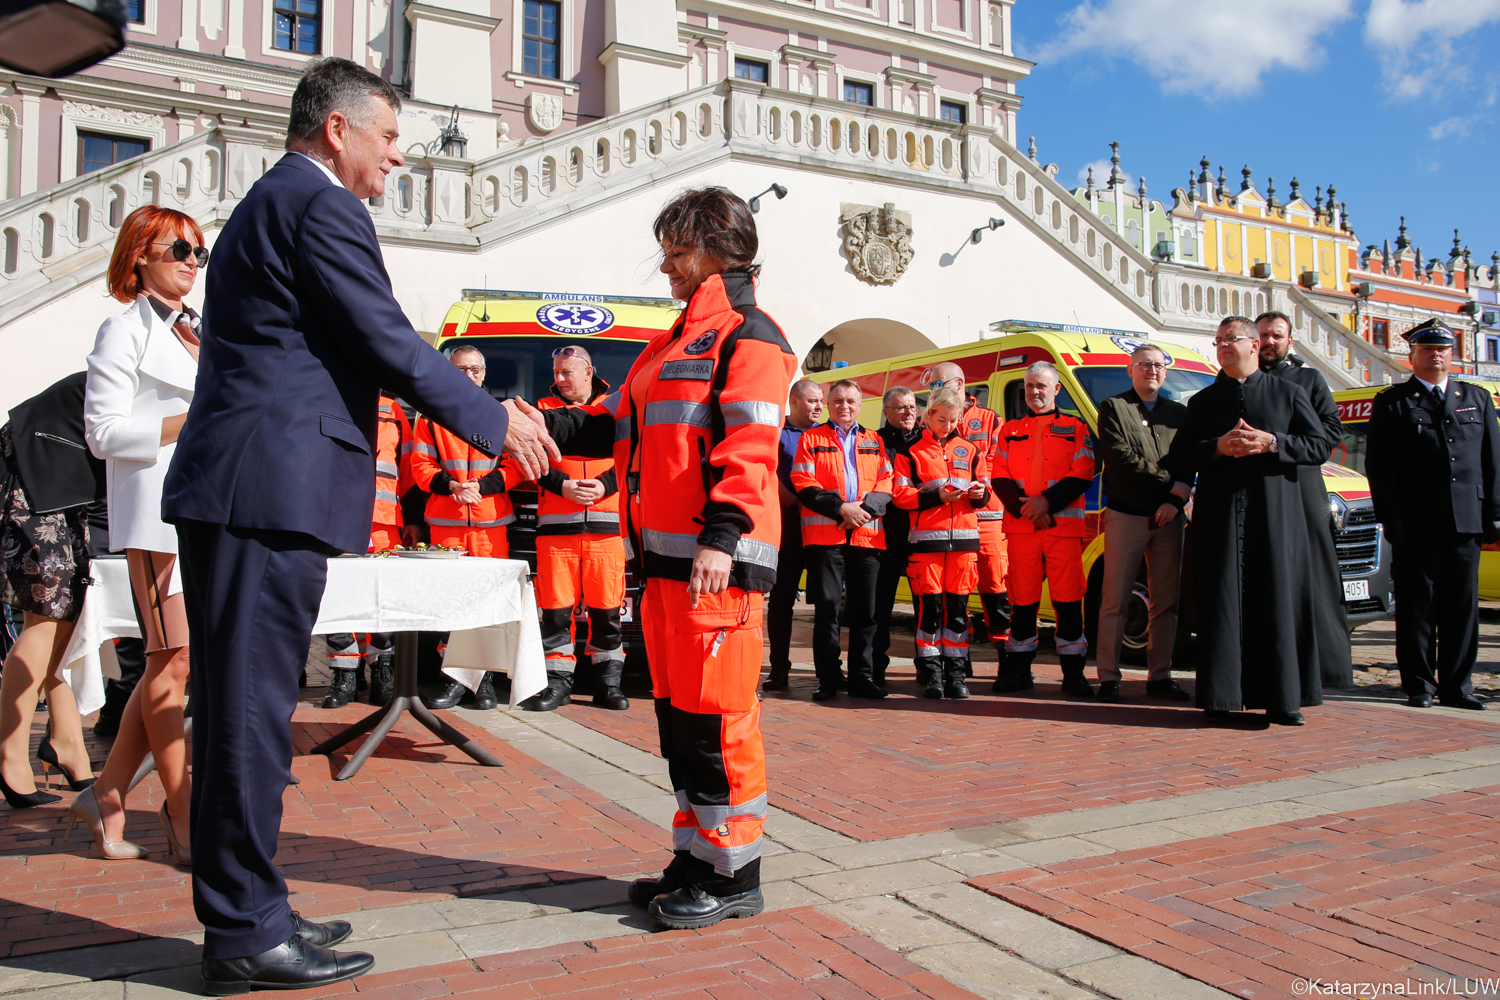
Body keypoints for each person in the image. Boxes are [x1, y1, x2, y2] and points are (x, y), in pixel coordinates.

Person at [161, 58, 556, 994]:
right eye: (388, 135)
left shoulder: (281, 200)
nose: (399, 155)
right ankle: (244, 932)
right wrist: (494, 420)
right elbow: (382, 335)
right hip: (261, 490)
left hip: (253, 489)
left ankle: (254, 904)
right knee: (249, 717)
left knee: (247, 711)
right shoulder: (320, 204)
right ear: (337, 129)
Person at [541, 186, 795, 930]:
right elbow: (610, 420)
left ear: (717, 250)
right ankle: (697, 856)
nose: (666, 268)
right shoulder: (674, 341)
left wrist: (720, 537)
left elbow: (748, 447)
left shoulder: (751, 335)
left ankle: (734, 873)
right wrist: (532, 421)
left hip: (719, 567)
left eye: (678, 254)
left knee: (720, 721)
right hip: (664, 568)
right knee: (681, 720)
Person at [79, 205, 206, 865]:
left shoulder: (200, 331)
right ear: (139, 255)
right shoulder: (121, 330)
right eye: (179, 247)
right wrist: (184, 422)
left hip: (202, 511)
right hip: (153, 514)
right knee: (175, 661)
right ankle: (180, 811)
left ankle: (108, 792)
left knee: (168, 663)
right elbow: (101, 434)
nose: (191, 259)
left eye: (197, 252)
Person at [1167, 316, 1329, 727]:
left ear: (1254, 345)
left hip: (1274, 516)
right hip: (1221, 517)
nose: (1223, 346)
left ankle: (1282, 699)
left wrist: (1273, 442)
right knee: (1222, 603)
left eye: (1231, 339)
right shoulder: (1202, 402)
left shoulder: (1289, 393)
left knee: (1275, 599)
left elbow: (1320, 444)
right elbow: (1179, 456)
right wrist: (1217, 447)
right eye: (1218, 340)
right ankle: (1222, 699)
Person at [1365, 318, 1500, 710]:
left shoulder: (1475, 398)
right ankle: (1419, 685)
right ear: (1412, 356)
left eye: (1441, 349)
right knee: (1416, 607)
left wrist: (1493, 512)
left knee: (1462, 607)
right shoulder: (1393, 402)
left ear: (1451, 355)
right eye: (1426, 350)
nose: (1435, 355)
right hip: (1416, 523)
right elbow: (1382, 467)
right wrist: (1392, 517)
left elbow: (1492, 461)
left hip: (1465, 522)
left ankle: (1458, 686)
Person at [0, 373, 105, 808]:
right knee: (45, 620)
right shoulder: (157, 355)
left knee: (66, 616)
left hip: (65, 483)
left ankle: (66, 741)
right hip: (35, 474)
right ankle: (9, 754)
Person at [524, 344, 628, 713]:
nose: (559, 380)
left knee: (608, 612)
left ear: (589, 372)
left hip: (607, 529)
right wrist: (562, 486)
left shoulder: (616, 409)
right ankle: (557, 685)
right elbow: (530, 461)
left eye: (566, 372)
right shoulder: (541, 412)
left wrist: (606, 485)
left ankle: (608, 685)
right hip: (556, 531)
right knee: (554, 612)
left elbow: (633, 457)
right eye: (555, 373)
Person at [1256, 311, 1353, 690]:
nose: (1269, 341)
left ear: (1290, 341)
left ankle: (1326, 670)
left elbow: (1329, 434)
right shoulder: (1239, 379)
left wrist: (1280, 442)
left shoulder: (1309, 379)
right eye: (1263, 334)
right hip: (1260, 491)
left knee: (1315, 579)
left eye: (1276, 335)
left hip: (1302, 487)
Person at [989, 362, 1096, 697]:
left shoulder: (1076, 427)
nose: (1034, 392)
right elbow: (999, 474)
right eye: (1030, 386)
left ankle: (1074, 675)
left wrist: (1045, 503)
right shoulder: (1010, 429)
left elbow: (1083, 471)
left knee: (1067, 600)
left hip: (1061, 527)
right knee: (1022, 600)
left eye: (1041, 386)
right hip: (1023, 529)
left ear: (1056, 389)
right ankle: (1019, 672)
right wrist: (1029, 510)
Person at [1093, 344, 1191, 703]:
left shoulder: (1179, 414)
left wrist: (1174, 500)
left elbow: (1187, 460)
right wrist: (1170, 485)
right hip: (1127, 515)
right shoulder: (1114, 407)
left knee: (1165, 602)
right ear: (1130, 370)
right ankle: (1108, 677)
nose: (1152, 370)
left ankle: (1160, 676)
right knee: (1114, 600)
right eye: (1144, 364)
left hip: (1169, 518)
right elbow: (1120, 457)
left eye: (1158, 365)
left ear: (1165, 372)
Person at [790, 380, 894, 701]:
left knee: (866, 612)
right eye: (837, 400)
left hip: (866, 536)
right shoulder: (811, 438)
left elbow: (887, 481)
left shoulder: (875, 441)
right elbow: (802, 481)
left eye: (850, 401)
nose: (844, 406)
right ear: (828, 404)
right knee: (827, 610)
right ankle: (828, 678)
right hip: (825, 538)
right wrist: (840, 509)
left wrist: (864, 511)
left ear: (861, 405)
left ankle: (862, 676)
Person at [891, 387, 989, 698]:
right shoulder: (912, 452)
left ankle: (957, 676)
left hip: (963, 545)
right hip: (926, 546)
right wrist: (937, 496)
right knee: (929, 612)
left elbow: (985, 491)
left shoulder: (971, 451)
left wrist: (978, 495)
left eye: (952, 420)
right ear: (928, 416)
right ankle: (932, 674)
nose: (946, 425)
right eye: (941, 419)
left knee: (958, 613)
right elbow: (900, 496)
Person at [321, 392, 415, 709]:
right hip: (338, 517)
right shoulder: (331, 399)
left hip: (384, 521)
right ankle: (344, 675)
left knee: (382, 599)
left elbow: (407, 466)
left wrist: (406, 516)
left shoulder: (392, 410)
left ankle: (382, 672)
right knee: (339, 595)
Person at [928, 362, 1009, 665]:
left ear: (960, 384)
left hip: (988, 519)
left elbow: (998, 462)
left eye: (939, 384)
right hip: (949, 520)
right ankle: (959, 658)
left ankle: (1006, 654)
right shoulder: (932, 424)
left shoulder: (989, 420)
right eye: (932, 387)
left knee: (996, 588)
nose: (934, 391)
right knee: (954, 594)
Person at [764, 378, 823, 693]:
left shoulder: (826, 435)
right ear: (795, 402)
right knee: (782, 602)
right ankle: (779, 669)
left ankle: (826, 670)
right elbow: (767, 471)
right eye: (813, 400)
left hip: (821, 531)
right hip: (786, 530)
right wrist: (790, 499)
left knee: (827, 603)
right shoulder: (777, 434)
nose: (819, 407)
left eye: (821, 401)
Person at [872, 386, 922, 686]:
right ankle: (876, 668)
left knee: (926, 606)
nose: (907, 413)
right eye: (900, 408)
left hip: (921, 535)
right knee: (880, 607)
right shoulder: (875, 441)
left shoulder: (927, 439)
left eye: (912, 407)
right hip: (886, 536)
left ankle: (927, 665)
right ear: (887, 411)